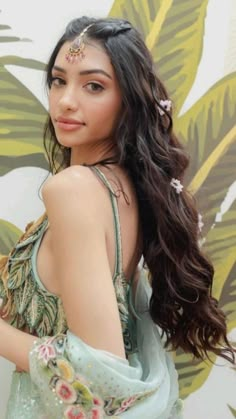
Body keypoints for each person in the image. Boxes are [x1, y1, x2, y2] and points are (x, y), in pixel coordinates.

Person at [0, 16, 235, 419]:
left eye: (93, 85)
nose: (66, 100)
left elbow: (95, 376)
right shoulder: (126, 186)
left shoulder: (74, 189)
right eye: (58, 80)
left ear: (129, 98)